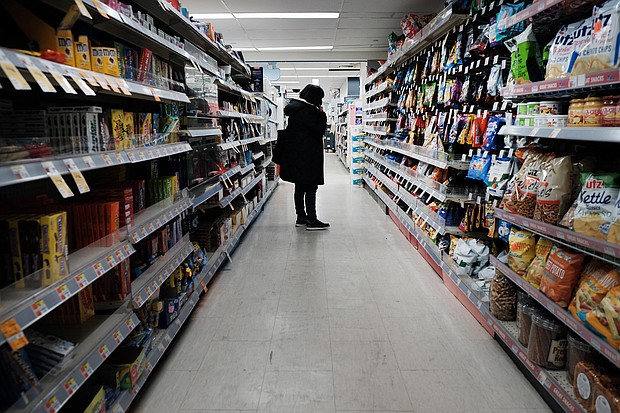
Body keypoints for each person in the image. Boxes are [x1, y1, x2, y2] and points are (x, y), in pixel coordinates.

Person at [280, 84, 329, 230]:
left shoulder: (295, 110)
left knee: (300, 186)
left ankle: (301, 217)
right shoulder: (310, 112)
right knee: (311, 186)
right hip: (308, 155)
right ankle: (312, 220)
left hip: (296, 155)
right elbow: (319, 131)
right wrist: (321, 114)